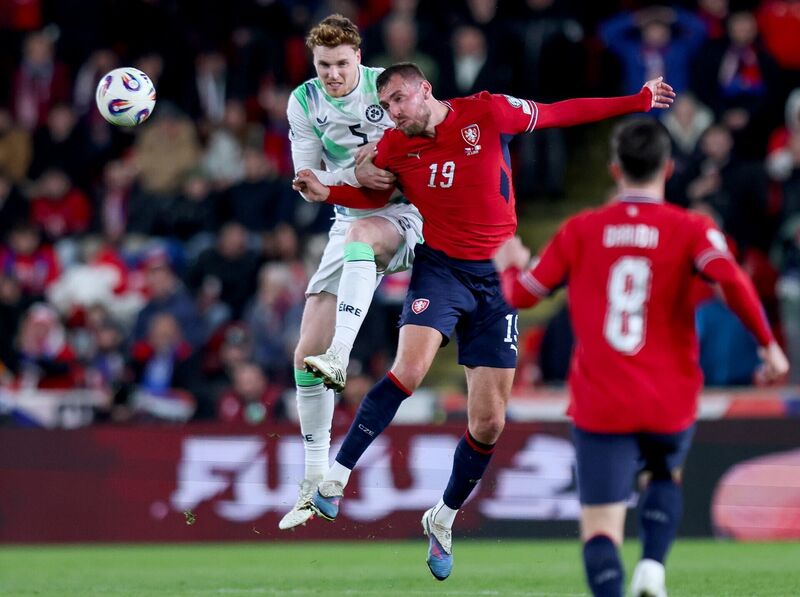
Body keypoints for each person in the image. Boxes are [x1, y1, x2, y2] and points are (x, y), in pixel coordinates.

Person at [293, 62, 676, 580]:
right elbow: (376, 197)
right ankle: (335, 477)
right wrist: (329, 192)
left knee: (490, 423)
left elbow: (560, 113)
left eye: (401, 100)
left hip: (498, 280)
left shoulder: (488, 112)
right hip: (441, 271)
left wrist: (637, 100)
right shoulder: (392, 147)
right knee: (409, 370)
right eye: (386, 107)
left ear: (425, 89)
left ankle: (443, 516)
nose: (395, 113)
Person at [492, 118, 789, 597]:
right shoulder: (692, 228)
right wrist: (767, 344)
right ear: (669, 169)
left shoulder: (581, 230)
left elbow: (524, 296)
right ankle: (652, 567)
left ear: (614, 169)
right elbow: (731, 279)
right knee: (664, 475)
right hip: (668, 396)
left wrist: (509, 266)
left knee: (602, 526)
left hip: (602, 397)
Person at [279, 14, 424, 531]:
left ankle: (342, 353)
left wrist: (377, 166)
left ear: (359, 58)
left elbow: (422, 152)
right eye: (324, 65)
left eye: (342, 64)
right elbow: (308, 178)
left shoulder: (390, 91)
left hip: (409, 212)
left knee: (366, 238)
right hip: (349, 216)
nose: (333, 74)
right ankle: (313, 482)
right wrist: (350, 174)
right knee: (303, 353)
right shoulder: (303, 101)